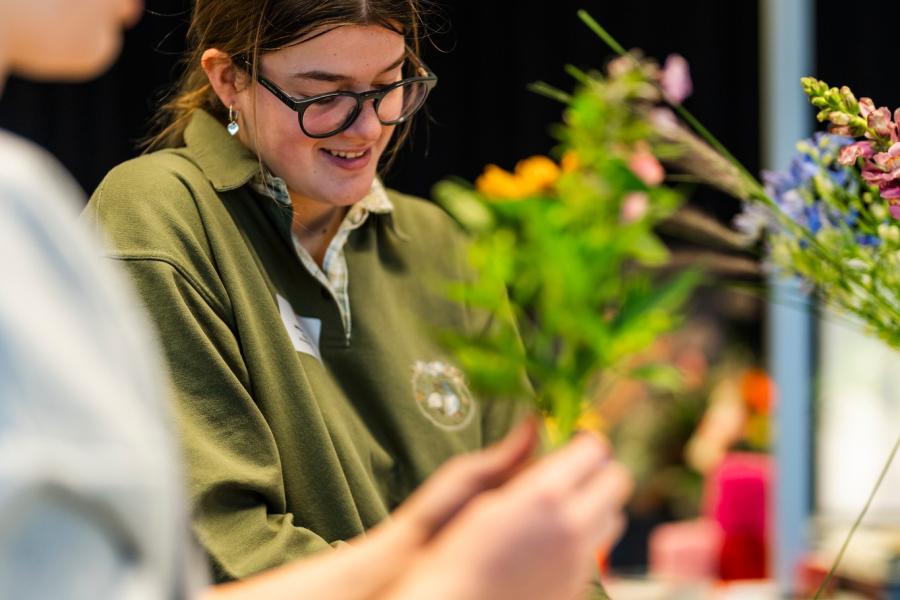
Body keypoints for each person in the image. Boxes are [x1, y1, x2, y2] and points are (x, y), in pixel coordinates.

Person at [1, 0, 631, 599]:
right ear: (227, 81)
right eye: (324, 96)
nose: (366, 127)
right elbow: (220, 549)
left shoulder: (441, 240)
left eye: (390, 86)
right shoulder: (158, 213)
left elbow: (544, 529)